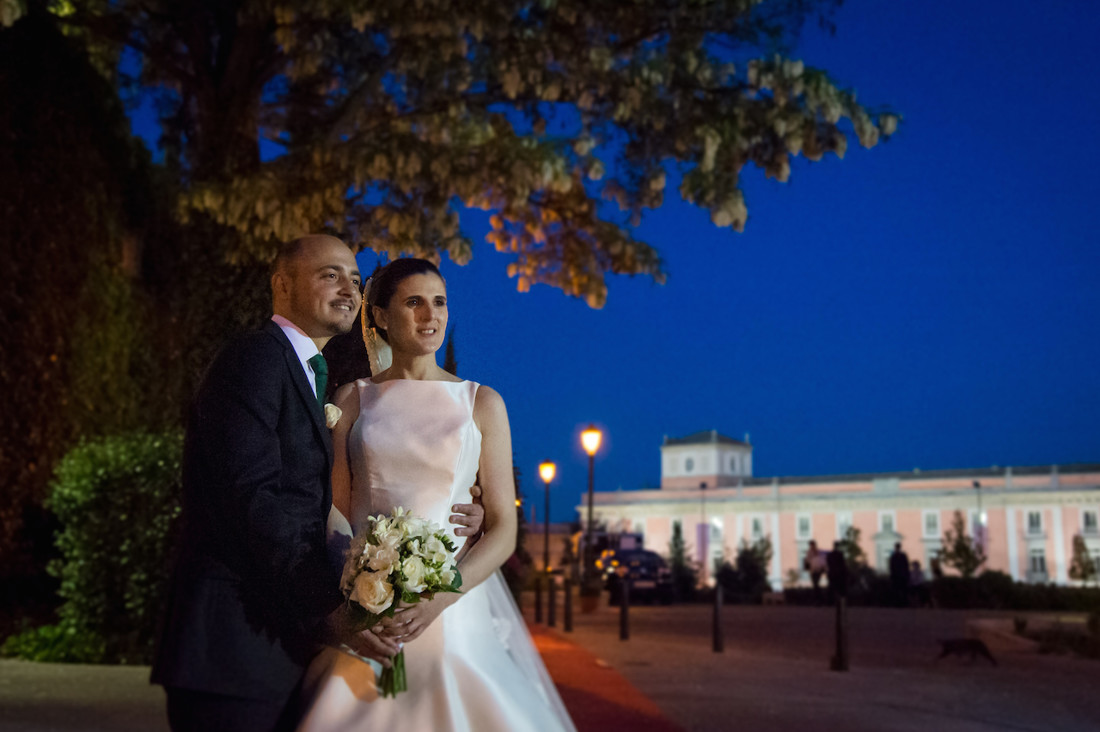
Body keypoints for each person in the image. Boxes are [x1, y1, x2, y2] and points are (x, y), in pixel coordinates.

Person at [150, 236, 484, 732]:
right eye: (329, 274)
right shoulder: (255, 360)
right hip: (232, 650)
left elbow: (323, 500)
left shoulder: (308, 374)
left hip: (279, 646)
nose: (348, 287)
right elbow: (255, 500)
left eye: (353, 278)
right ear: (282, 284)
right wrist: (330, 611)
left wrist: (456, 511)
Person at [297, 258, 575, 732]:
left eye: (440, 302)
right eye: (415, 302)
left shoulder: (482, 402)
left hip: (454, 604)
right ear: (380, 316)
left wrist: (439, 601)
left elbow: (504, 530)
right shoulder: (350, 399)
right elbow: (336, 514)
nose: (432, 316)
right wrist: (359, 593)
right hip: (370, 604)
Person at [803, 540, 827, 604]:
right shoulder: (809, 552)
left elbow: (822, 560)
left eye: (812, 545)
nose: (811, 546)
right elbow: (807, 561)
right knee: (815, 584)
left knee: (816, 584)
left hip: (818, 570)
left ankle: (818, 598)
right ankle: (818, 598)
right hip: (813, 570)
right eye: (811, 545)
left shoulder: (818, 552)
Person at [888, 541, 910, 608]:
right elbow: (906, 566)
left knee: (899, 591)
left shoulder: (895, 556)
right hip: (899, 576)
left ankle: (900, 603)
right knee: (900, 591)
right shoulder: (900, 556)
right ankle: (901, 603)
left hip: (898, 576)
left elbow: (891, 567)